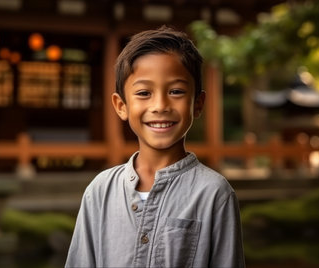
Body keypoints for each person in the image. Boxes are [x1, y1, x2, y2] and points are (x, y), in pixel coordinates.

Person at [65, 26, 245, 268]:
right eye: (143, 92)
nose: (160, 105)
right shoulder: (100, 191)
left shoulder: (213, 193)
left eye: (176, 91)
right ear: (121, 105)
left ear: (197, 104)